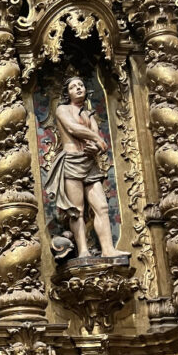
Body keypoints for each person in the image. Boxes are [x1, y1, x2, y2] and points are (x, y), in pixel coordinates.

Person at [43, 75, 126, 259]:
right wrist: (97, 140)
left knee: (102, 207)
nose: (79, 88)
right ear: (67, 93)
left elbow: (98, 140)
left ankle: (108, 249)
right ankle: (83, 251)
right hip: (72, 162)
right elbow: (73, 128)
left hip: (89, 163)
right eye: (74, 87)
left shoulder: (89, 114)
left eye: (81, 85)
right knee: (76, 211)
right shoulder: (62, 109)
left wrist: (96, 146)